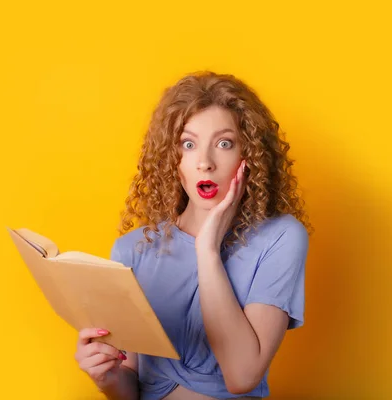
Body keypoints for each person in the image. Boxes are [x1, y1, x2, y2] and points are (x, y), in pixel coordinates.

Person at [74, 71, 313, 400]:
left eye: (224, 143)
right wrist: (107, 377)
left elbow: (242, 376)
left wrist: (208, 250)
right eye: (189, 144)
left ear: (249, 155)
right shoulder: (132, 250)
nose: (205, 163)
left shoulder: (280, 237)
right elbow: (129, 388)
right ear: (172, 160)